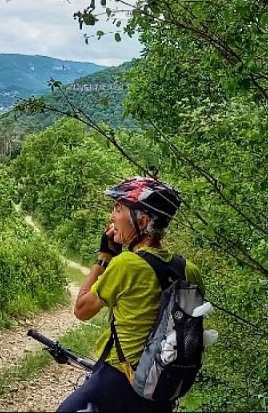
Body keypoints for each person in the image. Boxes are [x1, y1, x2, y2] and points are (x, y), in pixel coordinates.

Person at [57, 176, 205, 413]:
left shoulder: (126, 263)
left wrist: (104, 257)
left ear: (143, 220)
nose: (112, 217)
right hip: (160, 389)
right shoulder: (190, 270)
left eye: (118, 209)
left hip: (118, 381)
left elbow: (82, 309)